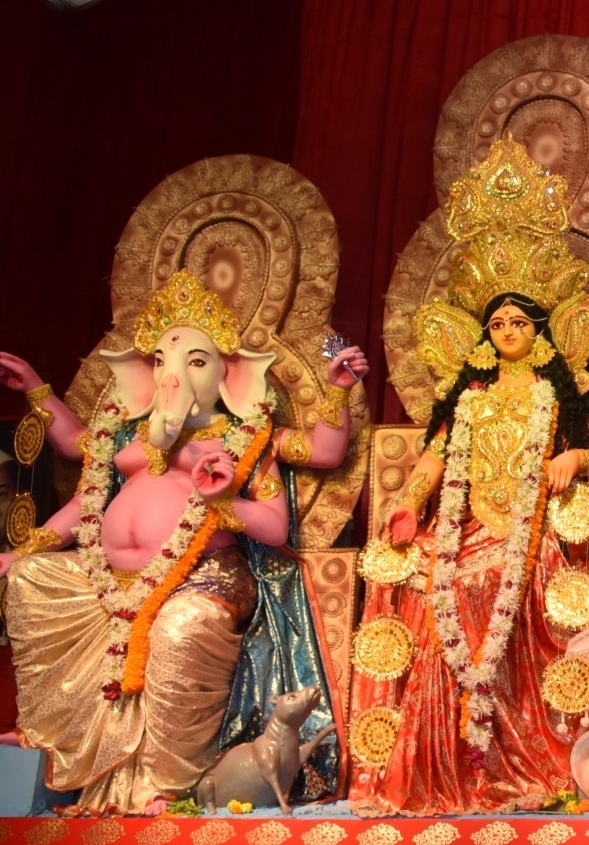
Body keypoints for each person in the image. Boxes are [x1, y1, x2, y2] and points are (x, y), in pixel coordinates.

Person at [347, 137, 589, 815]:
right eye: (497, 321)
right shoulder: (470, 400)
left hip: (538, 540)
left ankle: (530, 756)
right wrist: (408, 501)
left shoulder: (563, 399)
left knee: (504, 582)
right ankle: (452, 763)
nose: (508, 328)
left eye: (519, 319)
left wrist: (578, 458)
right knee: (433, 585)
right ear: (481, 336)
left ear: (542, 329)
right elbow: (434, 458)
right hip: (472, 529)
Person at [0, 271, 360, 813]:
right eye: (164, 362)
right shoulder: (127, 435)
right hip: (110, 579)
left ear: (230, 374)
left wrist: (336, 391)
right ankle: (51, 736)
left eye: (195, 361)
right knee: (31, 582)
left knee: (179, 627)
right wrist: (34, 388)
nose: (175, 376)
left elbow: (310, 475)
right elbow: (80, 479)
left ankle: (165, 784)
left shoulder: (248, 436)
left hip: (205, 578)